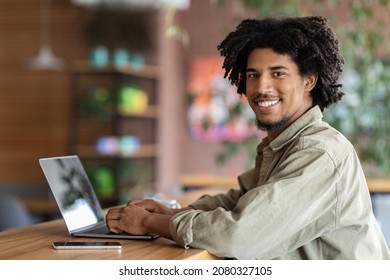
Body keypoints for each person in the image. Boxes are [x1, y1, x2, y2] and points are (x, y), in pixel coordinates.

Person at [106, 16, 390, 259]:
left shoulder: (320, 152)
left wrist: (148, 222)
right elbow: (240, 202)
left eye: (278, 73)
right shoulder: (284, 145)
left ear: (309, 80)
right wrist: (172, 211)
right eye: (253, 75)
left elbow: (238, 236)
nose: (261, 87)